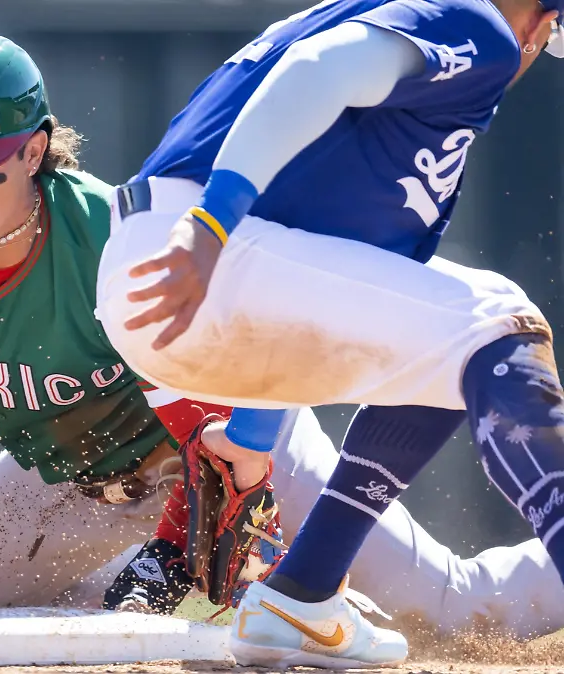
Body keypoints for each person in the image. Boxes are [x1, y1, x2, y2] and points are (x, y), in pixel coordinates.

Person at [0, 31, 564, 656]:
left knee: (451, 611)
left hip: (238, 456)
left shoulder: (110, 249)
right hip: (66, 477)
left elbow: (207, 439)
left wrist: (193, 566)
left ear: (39, 151)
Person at [93, 0, 564, 667]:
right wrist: (212, 222)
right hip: (200, 249)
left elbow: (308, 274)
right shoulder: (475, 22)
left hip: (167, 281)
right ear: (538, 17)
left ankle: (301, 596)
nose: (535, 51)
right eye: (549, 35)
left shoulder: (389, 52)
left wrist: (253, 440)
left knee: (441, 353)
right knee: (498, 320)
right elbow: (319, 69)